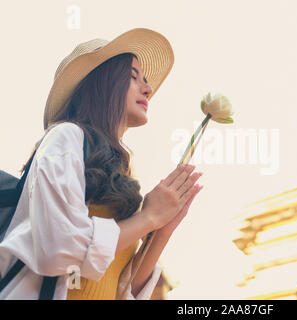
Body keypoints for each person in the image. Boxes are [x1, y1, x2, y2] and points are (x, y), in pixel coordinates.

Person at [0, 28, 203, 299]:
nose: (148, 88)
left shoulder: (124, 171)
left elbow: (119, 290)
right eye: (133, 77)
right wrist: (147, 218)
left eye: (145, 79)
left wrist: (161, 231)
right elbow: (58, 250)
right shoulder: (66, 136)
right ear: (102, 84)